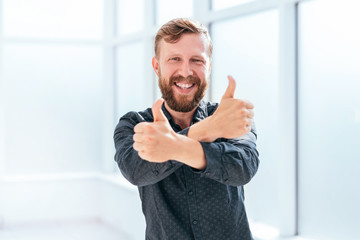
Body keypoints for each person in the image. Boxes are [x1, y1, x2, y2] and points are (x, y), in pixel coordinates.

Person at [113, 18, 259, 240]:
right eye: (174, 59)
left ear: (208, 66)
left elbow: (242, 168)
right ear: (156, 66)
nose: (186, 71)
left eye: (197, 60)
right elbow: (135, 169)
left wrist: (171, 145)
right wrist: (208, 130)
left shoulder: (228, 116)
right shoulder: (135, 124)